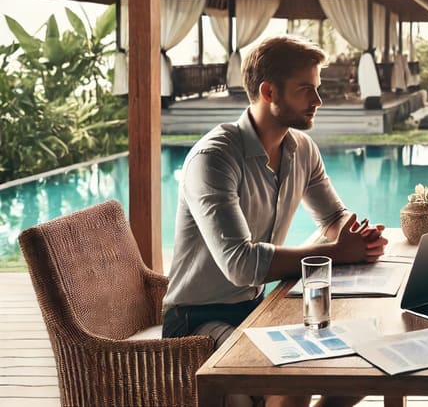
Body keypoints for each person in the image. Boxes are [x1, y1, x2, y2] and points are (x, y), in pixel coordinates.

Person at [163, 35, 387, 407]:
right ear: (269, 92)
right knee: (294, 375)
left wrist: (356, 236)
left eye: (316, 89)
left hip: (256, 307)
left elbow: (333, 215)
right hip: (196, 319)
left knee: (366, 357)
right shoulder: (215, 158)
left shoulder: (301, 149)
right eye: (306, 90)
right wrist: (337, 252)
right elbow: (240, 264)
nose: (318, 101)